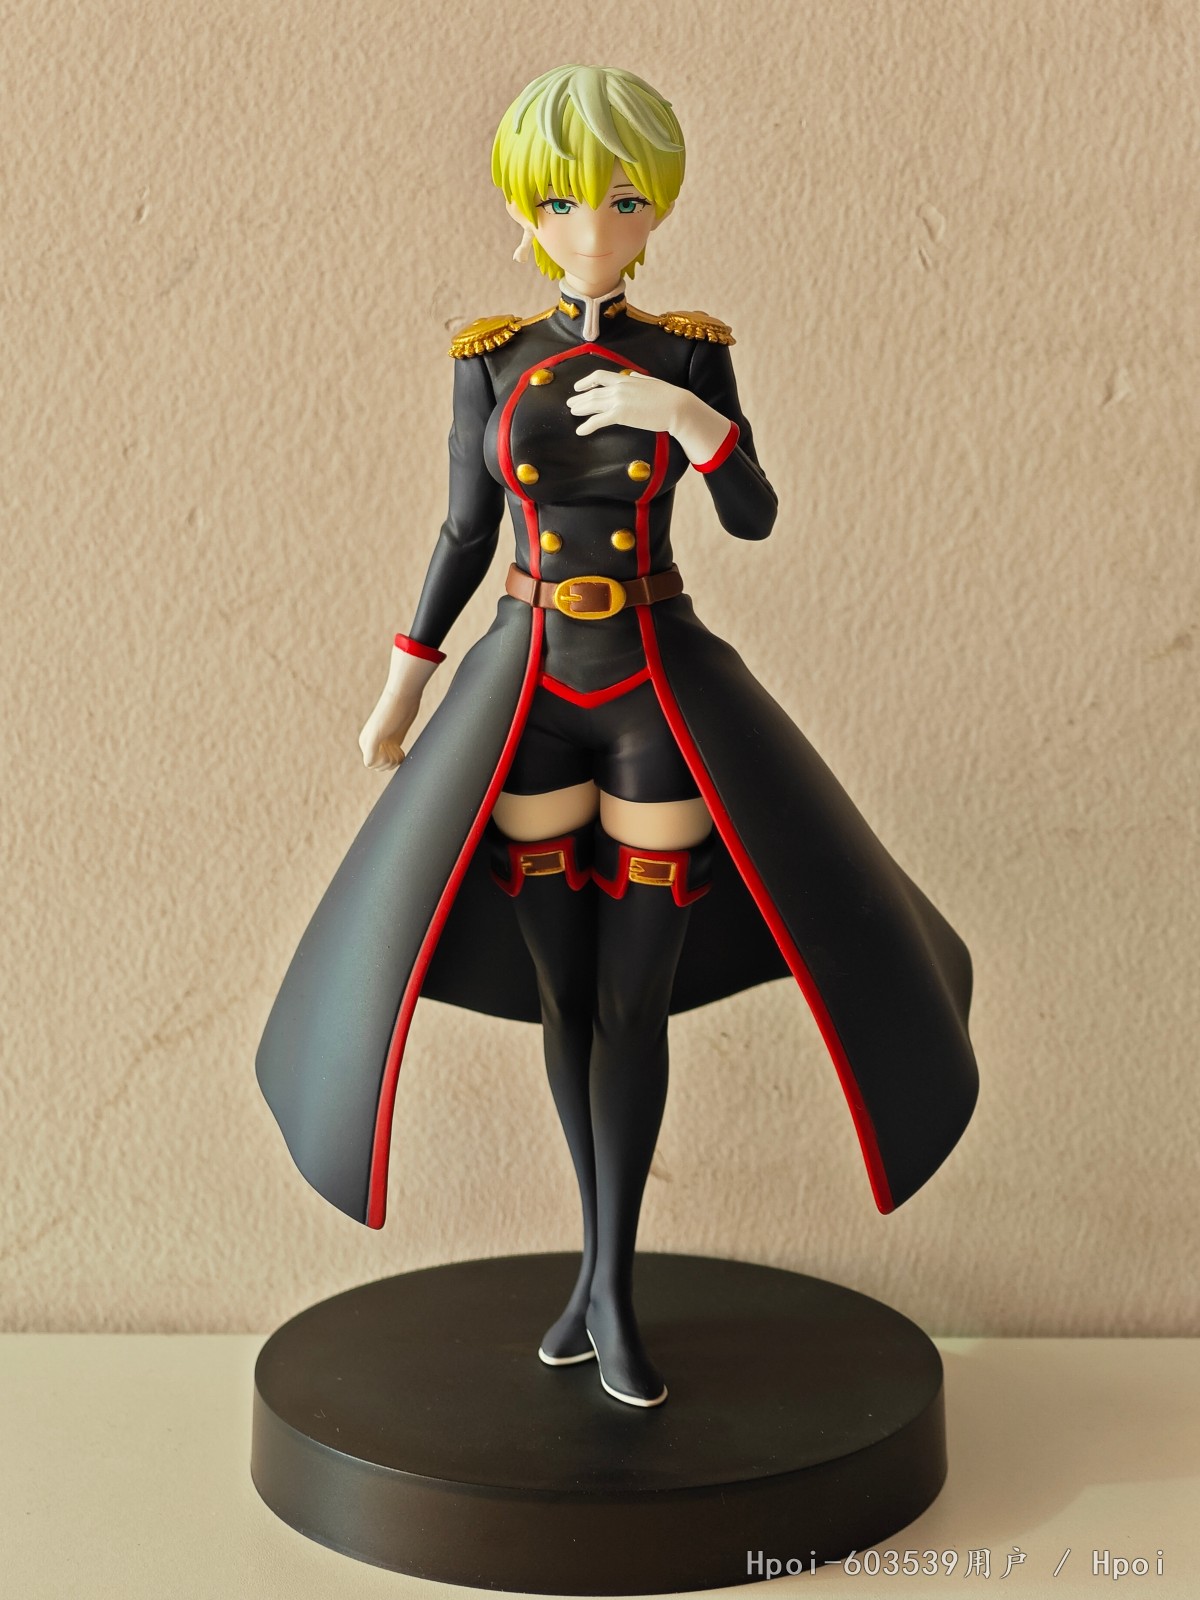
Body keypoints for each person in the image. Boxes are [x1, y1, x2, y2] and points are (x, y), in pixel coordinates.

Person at [256, 64, 979, 1409]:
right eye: (564, 201)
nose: (594, 226)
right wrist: (403, 686)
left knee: (635, 1000)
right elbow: (464, 532)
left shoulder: (687, 350)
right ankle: (591, 1276)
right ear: (523, 212)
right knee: (566, 994)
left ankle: (612, 1287)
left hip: (653, 682)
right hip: (527, 685)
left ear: (658, 211)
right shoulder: (489, 358)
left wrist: (691, 421)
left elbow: (754, 514)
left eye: (626, 199)